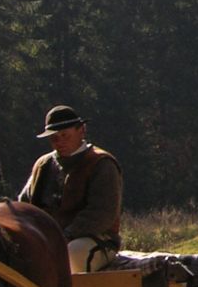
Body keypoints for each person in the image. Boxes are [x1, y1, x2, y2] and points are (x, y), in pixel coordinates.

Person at [20, 104, 123, 273]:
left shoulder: (102, 163)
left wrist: (65, 235)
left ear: (82, 131)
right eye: (54, 138)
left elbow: (102, 214)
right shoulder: (43, 164)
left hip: (96, 239)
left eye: (65, 135)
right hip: (48, 237)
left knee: (72, 253)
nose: (59, 142)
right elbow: (25, 204)